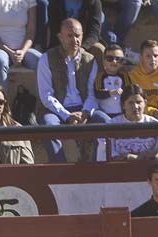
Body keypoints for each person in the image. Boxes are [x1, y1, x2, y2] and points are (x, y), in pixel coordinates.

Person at [36, 17, 111, 162]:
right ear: (60, 37)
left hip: (83, 108)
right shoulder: (46, 59)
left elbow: (92, 93)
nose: (74, 40)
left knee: (107, 123)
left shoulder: (90, 60)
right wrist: (67, 115)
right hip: (55, 110)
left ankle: (100, 167)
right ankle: (59, 169)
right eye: (69, 36)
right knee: (49, 127)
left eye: (77, 36)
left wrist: (85, 112)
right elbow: (46, 96)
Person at [98, 84, 158, 161]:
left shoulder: (155, 125)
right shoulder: (111, 125)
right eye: (130, 103)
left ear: (145, 103)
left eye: (139, 102)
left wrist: (153, 155)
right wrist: (127, 157)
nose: (135, 106)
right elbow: (105, 154)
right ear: (123, 105)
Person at [0, 0, 41, 87]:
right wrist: (10, 52)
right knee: (0, 62)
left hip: (24, 49)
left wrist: (22, 51)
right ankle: (1, 99)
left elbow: (31, 32)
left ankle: (45, 99)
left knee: (41, 61)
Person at [128, 38, 158, 120]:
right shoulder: (132, 75)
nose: (153, 59)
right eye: (148, 56)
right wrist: (153, 112)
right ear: (141, 57)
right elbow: (134, 103)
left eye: (156, 56)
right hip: (140, 114)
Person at [86, 41, 128, 120]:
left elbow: (129, 92)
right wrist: (110, 92)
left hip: (122, 114)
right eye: (109, 59)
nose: (114, 61)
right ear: (104, 61)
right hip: (105, 113)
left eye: (118, 59)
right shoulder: (100, 76)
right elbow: (97, 93)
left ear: (122, 62)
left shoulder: (124, 76)